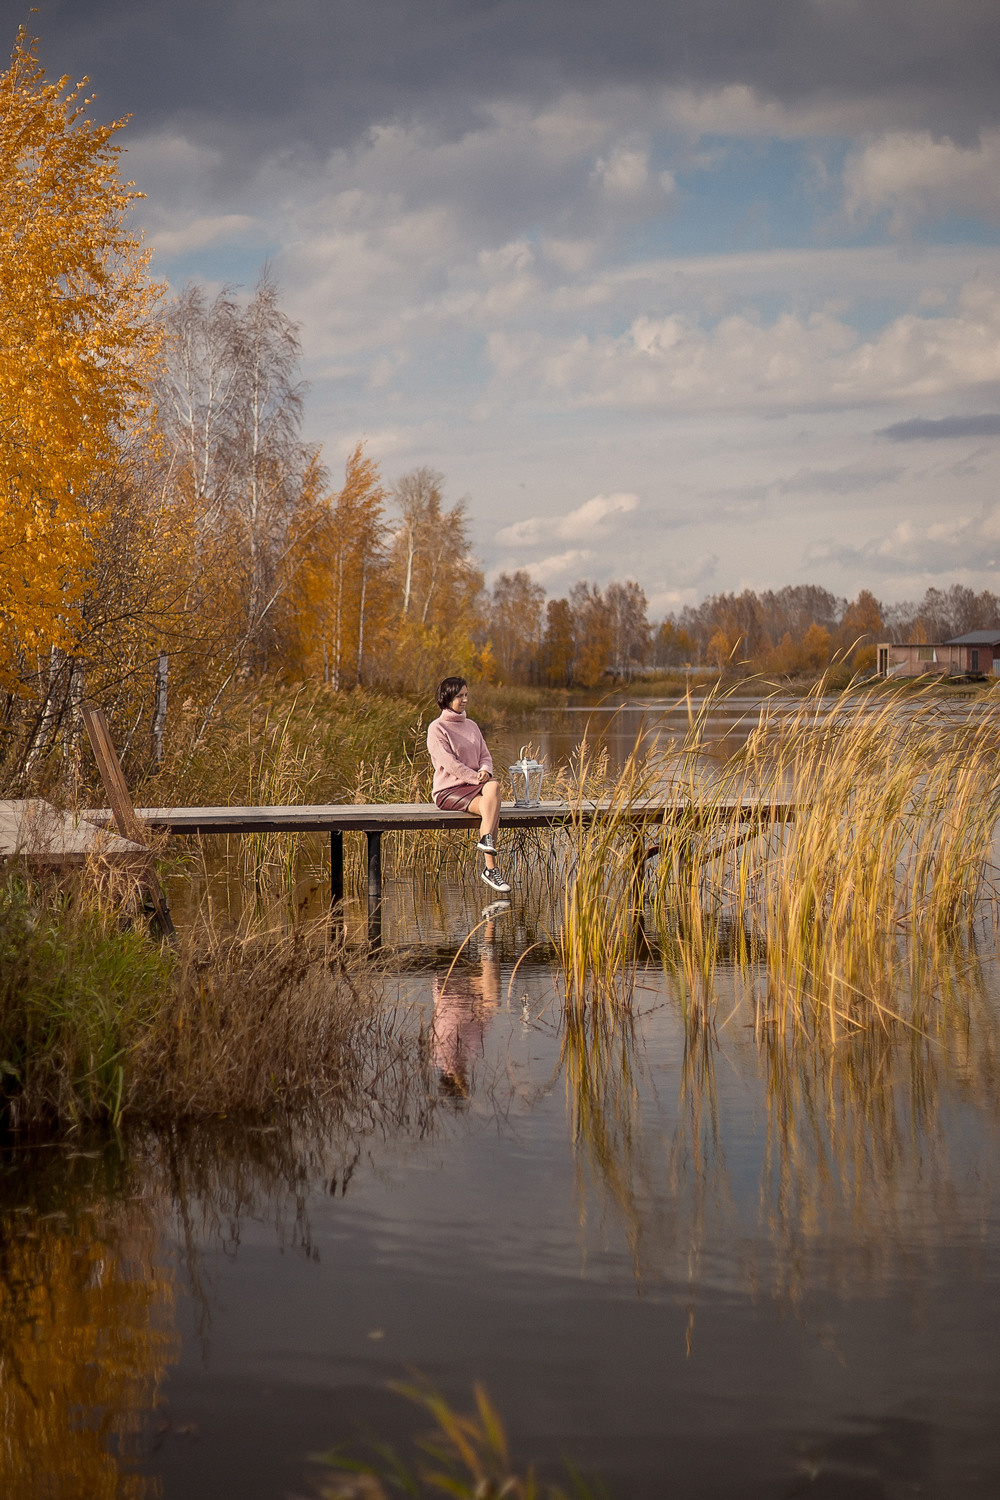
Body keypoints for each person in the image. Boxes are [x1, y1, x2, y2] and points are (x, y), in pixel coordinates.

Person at [427, 676, 510, 893]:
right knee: (492, 804)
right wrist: (475, 777)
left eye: (466, 695)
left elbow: (485, 754)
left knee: (494, 788)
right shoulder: (437, 728)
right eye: (459, 696)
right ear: (447, 699)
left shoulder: (471, 725)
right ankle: (491, 869)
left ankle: (487, 840)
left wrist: (485, 771)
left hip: (475, 784)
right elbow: (449, 764)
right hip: (449, 790)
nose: (464, 700)